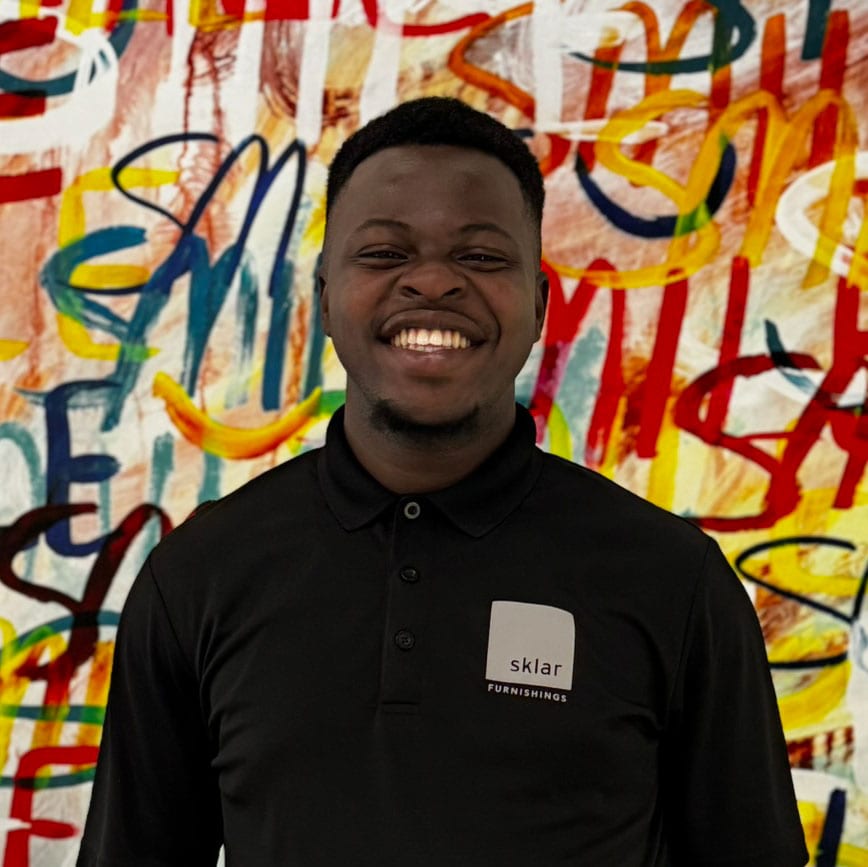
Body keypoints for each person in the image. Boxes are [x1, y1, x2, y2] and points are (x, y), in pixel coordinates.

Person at [78, 97, 808, 866]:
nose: (432, 282)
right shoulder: (199, 579)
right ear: (324, 295)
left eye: (482, 257)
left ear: (537, 304)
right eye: (385, 253)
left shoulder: (673, 582)